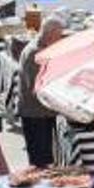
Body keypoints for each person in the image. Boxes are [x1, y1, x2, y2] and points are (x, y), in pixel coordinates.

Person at [19, 16, 66, 167]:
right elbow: (37, 88)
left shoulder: (42, 48)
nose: (60, 40)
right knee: (40, 158)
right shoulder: (35, 54)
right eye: (58, 36)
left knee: (46, 156)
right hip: (36, 113)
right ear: (50, 34)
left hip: (42, 111)